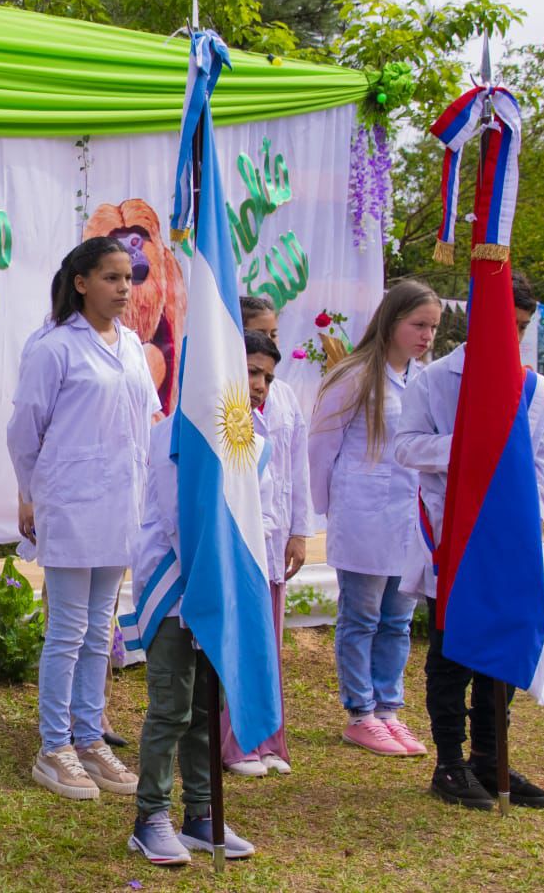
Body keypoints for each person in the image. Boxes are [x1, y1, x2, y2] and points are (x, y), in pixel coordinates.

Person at [394, 271, 544, 811]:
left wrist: (517, 512)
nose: (511, 337)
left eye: (520, 327)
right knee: (451, 652)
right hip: (453, 536)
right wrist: (468, 448)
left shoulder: (531, 387)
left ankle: (492, 755)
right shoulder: (437, 380)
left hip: (506, 538)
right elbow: (408, 447)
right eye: (502, 326)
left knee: (501, 643)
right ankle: (450, 762)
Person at [8, 237, 158, 801]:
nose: (123, 289)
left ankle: (90, 737)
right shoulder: (52, 346)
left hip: (121, 503)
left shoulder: (132, 346)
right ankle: (54, 746)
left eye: (128, 279)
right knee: (68, 630)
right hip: (71, 503)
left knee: (101, 628)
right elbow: (25, 429)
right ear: (81, 282)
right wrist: (34, 492)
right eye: (111, 278)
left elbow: (146, 418)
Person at [125, 334, 264, 865]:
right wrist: (212, 577)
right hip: (175, 589)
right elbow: (180, 513)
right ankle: (150, 816)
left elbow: (253, 514)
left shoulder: (246, 434)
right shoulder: (169, 436)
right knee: (173, 707)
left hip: (220, 588)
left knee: (210, 706)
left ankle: (202, 814)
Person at [308, 280, 441, 760]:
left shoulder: (424, 380)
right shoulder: (355, 375)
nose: (426, 336)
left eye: (432, 328)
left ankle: (388, 708)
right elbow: (321, 447)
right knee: (361, 616)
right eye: (418, 325)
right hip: (362, 511)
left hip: (408, 515)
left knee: (398, 619)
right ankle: (360, 711)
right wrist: (326, 508)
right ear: (392, 321)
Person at [218, 317, 302, 777]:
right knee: (239, 643)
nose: (260, 384)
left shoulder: (278, 407)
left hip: (271, 545)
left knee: (267, 647)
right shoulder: (218, 419)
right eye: (252, 372)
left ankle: (267, 739)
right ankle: (236, 743)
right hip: (238, 550)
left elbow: (297, 470)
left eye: (267, 376)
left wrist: (299, 530)